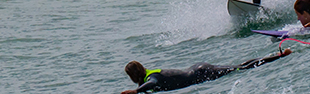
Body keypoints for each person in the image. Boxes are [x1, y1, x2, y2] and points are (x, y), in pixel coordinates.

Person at [120, 49, 292, 94]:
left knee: (242, 67)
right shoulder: (146, 80)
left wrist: (135, 90)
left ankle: (279, 55)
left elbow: (153, 84)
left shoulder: (151, 77)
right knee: (240, 66)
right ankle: (278, 55)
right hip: (198, 71)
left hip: (201, 73)